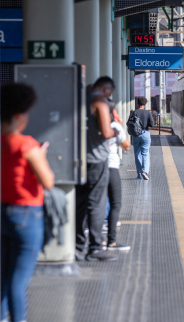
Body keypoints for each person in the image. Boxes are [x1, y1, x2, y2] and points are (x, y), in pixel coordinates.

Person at [0, 83, 55, 322]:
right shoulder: (27, 145)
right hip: (26, 214)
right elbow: (48, 181)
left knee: (2, 277)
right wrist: (41, 156)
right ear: (18, 116)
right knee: (18, 280)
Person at [75, 76, 119, 261]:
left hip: (78, 159)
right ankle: (95, 247)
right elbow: (106, 132)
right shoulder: (99, 101)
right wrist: (116, 130)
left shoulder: (78, 98)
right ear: (106, 89)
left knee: (79, 205)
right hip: (96, 159)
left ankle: (76, 246)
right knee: (97, 204)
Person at [105, 101, 131, 250]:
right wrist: (119, 124)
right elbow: (126, 146)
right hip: (110, 167)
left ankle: (94, 242)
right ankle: (111, 241)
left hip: (93, 167)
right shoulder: (114, 126)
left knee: (94, 203)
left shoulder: (89, 123)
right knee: (115, 203)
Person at [131, 96, 154, 180]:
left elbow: (129, 123)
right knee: (145, 153)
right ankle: (144, 171)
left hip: (135, 135)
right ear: (145, 104)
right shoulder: (147, 113)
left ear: (138, 103)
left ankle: (139, 174)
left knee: (137, 154)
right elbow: (152, 124)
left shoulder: (134, 112)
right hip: (145, 133)